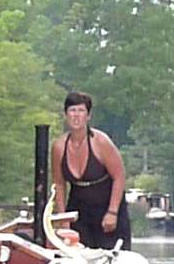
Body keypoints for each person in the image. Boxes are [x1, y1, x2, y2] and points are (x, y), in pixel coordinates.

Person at [50, 91, 131, 250]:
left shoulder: (101, 142)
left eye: (81, 111)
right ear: (65, 115)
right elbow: (59, 184)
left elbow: (119, 176)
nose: (76, 116)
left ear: (88, 116)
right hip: (78, 209)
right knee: (78, 252)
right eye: (72, 111)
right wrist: (63, 218)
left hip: (106, 206)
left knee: (111, 253)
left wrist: (112, 212)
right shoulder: (59, 147)